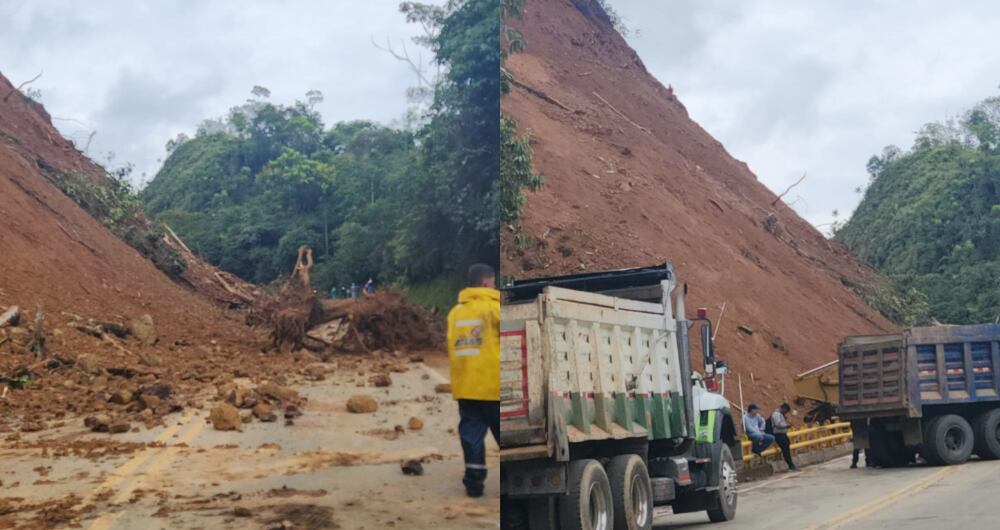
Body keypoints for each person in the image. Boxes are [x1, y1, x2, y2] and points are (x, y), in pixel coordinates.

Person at [446, 263, 500, 497]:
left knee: (471, 437)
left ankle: (474, 483)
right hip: (493, 388)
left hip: (466, 388)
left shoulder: (455, 313)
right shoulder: (494, 309)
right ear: (487, 283)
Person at [771, 404, 798, 471]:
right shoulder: (776, 414)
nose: (785, 413)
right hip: (778, 434)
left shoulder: (780, 414)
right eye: (785, 411)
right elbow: (778, 424)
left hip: (783, 433)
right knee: (785, 450)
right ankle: (791, 465)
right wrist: (787, 425)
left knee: (786, 448)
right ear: (783, 409)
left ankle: (791, 465)